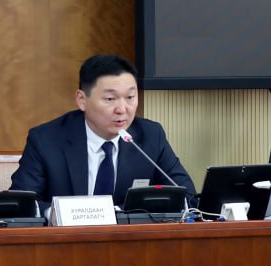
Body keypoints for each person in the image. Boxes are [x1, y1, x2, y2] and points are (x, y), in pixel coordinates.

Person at [10, 54, 196, 214]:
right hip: (67, 240)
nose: (122, 109)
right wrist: (65, 214)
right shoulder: (46, 140)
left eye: (130, 97)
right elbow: (22, 204)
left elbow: (187, 196)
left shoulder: (150, 136)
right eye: (110, 99)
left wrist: (121, 213)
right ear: (82, 100)